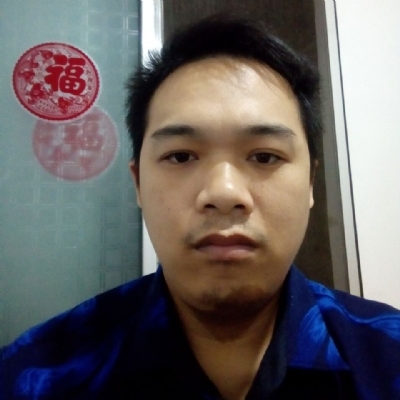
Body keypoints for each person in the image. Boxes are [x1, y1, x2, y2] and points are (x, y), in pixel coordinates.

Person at [2, 14, 400, 400]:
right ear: (138, 183)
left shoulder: (387, 357)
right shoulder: (32, 377)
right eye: (180, 156)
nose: (223, 192)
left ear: (310, 182)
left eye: (264, 156)